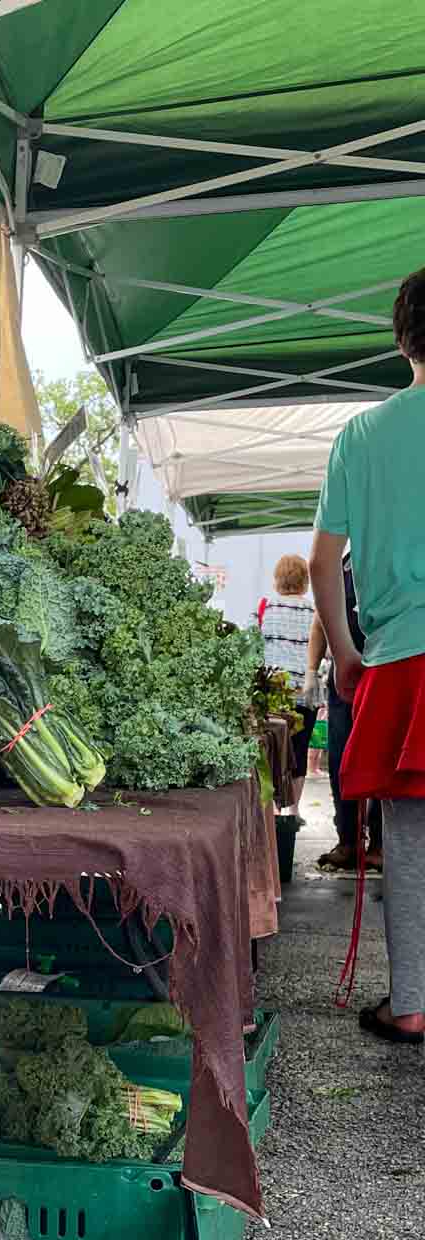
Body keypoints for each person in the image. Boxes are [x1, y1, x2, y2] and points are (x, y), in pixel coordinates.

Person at [310, 265, 425, 1046]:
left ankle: (413, 1004)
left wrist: (347, 656)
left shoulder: (363, 433)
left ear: (401, 340)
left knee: (409, 842)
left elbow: (324, 564)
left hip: (400, 657)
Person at [307, 559, 383, 872]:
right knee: (341, 762)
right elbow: (320, 620)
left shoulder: (392, 554)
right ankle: (348, 841)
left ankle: (380, 843)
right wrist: (311, 670)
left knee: (384, 762)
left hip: (385, 676)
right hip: (343, 683)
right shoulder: (341, 565)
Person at [256, 553, 316, 820]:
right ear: (305, 580)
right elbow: (324, 654)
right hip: (305, 694)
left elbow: (252, 651)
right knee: (299, 752)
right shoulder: (315, 612)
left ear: (277, 579)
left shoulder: (264, 608)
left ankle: (271, 811)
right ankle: (293, 810)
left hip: (271, 697)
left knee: (271, 752)